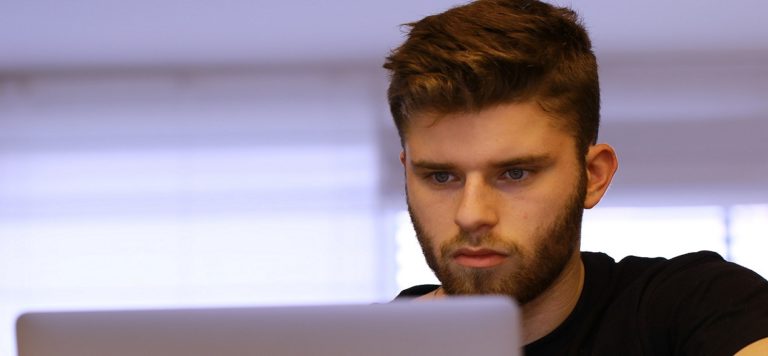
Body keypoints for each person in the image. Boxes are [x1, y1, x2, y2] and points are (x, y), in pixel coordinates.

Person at [382, 0, 768, 354]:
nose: (471, 214)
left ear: (593, 176)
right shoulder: (363, 342)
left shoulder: (699, 306)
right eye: (441, 177)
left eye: (515, 173)